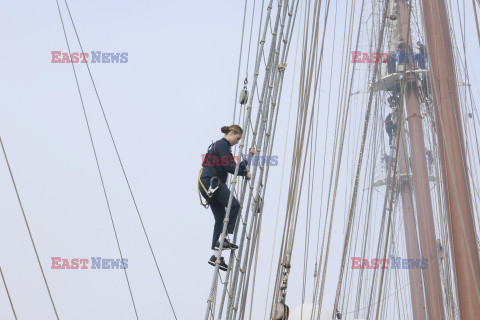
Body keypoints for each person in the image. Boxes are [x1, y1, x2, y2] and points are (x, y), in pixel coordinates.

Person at [198, 124, 255, 271]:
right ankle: (223, 239)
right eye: (237, 138)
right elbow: (231, 168)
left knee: (220, 217)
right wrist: (245, 174)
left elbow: (234, 166)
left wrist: (249, 157)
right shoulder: (222, 145)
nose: (237, 141)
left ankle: (216, 256)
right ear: (231, 133)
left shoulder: (223, 148)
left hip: (209, 185)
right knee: (234, 205)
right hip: (212, 182)